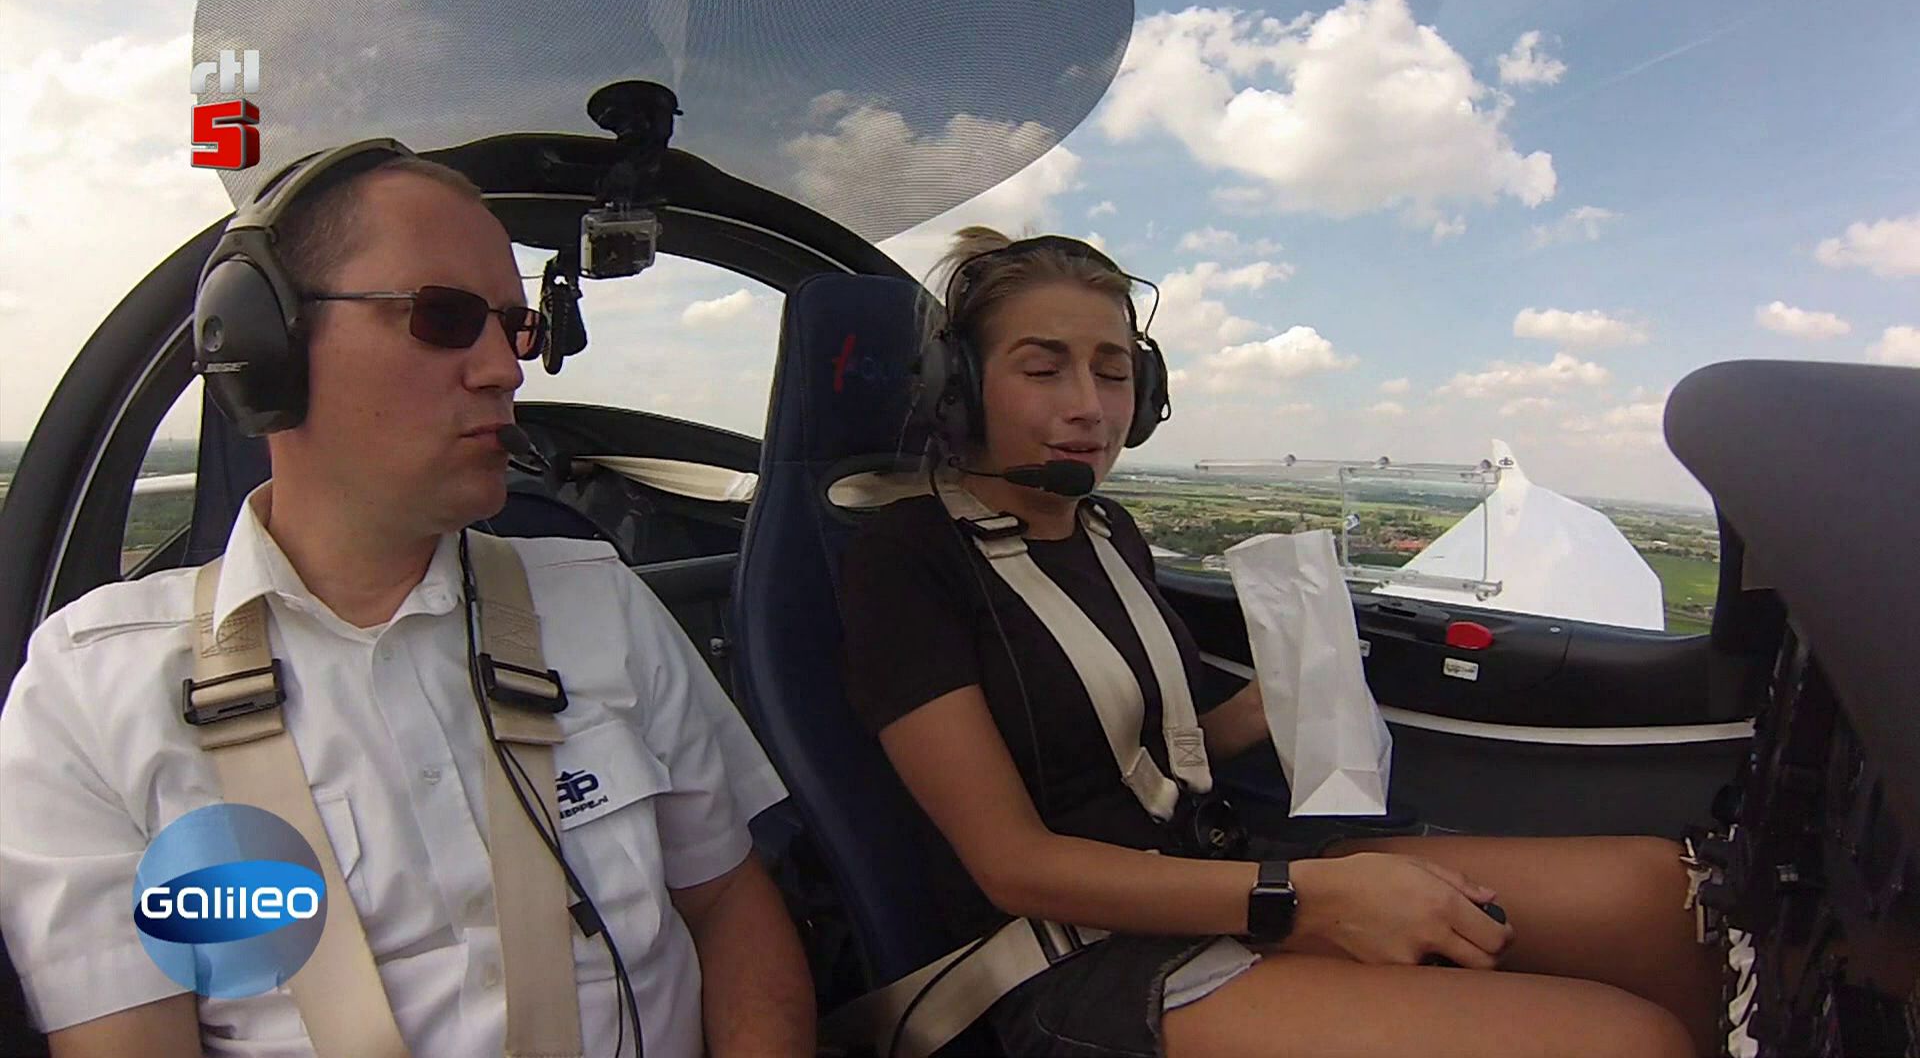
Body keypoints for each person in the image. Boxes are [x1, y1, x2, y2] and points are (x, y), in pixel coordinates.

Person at [0, 146, 813, 1057]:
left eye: (514, 328)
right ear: (265, 349)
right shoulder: (88, 693)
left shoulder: (600, 603)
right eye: (445, 317)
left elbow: (729, 906)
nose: (505, 369)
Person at [837, 225, 1722, 1058]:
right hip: (1064, 953)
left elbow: (1138, 756)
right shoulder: (907, 561)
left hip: (1210, 868)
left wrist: (1274, 705)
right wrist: (1306, 897)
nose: (1088, 408)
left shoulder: (1107, 533)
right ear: (960, 388)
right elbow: (1013, 866)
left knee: (1657, 898)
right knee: (1629, 1043)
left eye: (1113, 373)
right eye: (1042, 370)